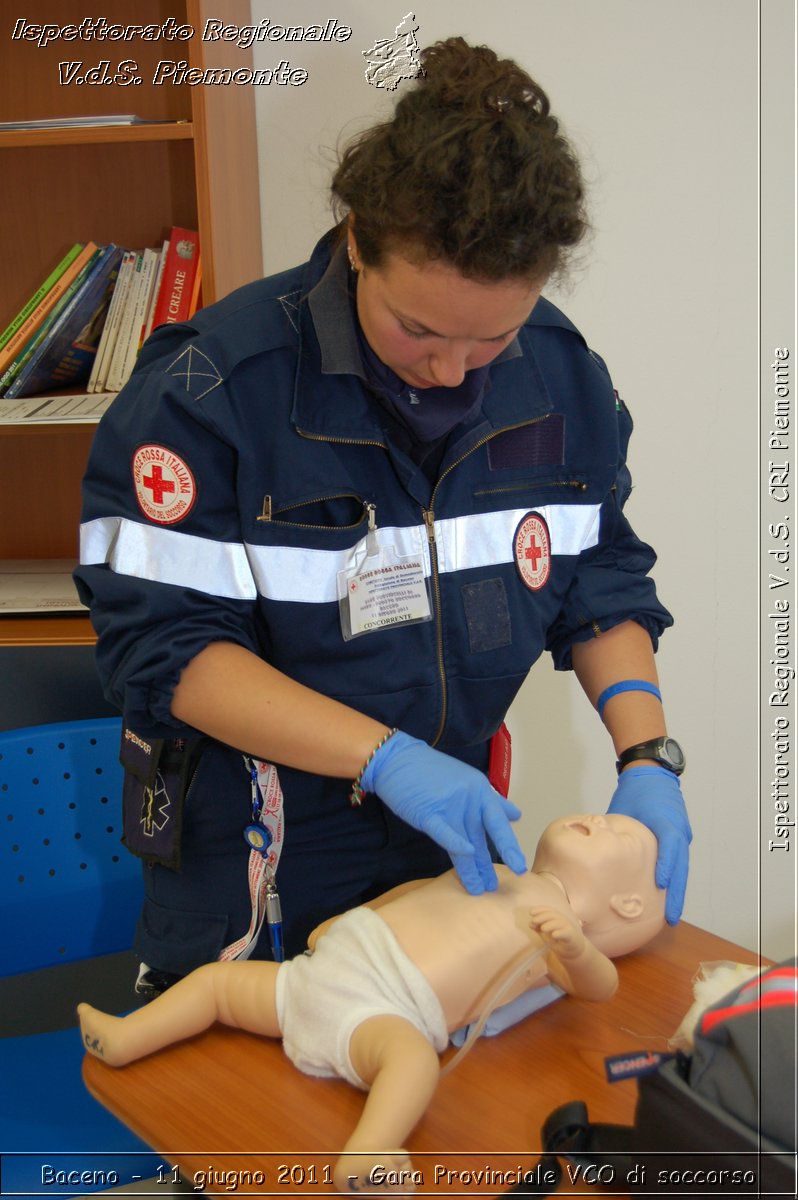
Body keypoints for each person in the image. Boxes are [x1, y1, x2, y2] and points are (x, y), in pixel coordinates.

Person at [74, 37, 690, 987]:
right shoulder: (213, 392)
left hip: (451, 830)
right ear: (357, 240)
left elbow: (599, 576)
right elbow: (165, 651)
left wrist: (647, 751)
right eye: (418, 329)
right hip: (254, 850)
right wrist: (384, 756)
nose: (449, 371)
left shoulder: (563, 380)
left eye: (492, 338)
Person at [78, 811, 666, 1193]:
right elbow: (416, 892)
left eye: (621, 834)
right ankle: (128, 1037)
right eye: (609, 815)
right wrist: (347, 920)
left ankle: (371, 1150)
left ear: (629, 908)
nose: (601, 817)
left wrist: (581, 950)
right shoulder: (493, 868)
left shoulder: (560, 934)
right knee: (217, 982)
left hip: (381, 1014)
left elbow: (600, 989)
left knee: (411, 1063)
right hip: (321, 974)